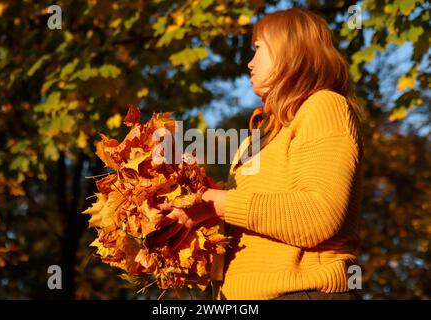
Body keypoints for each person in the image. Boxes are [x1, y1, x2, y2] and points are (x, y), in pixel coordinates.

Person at [153, 7, 365, 300]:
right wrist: (181, 198)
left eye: (258, 49)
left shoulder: (324, 106)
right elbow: (249, 219)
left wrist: (213, 202)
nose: (250, 64)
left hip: (304, 292)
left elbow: (319, 215)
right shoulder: (260, 133)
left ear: (292, 52)